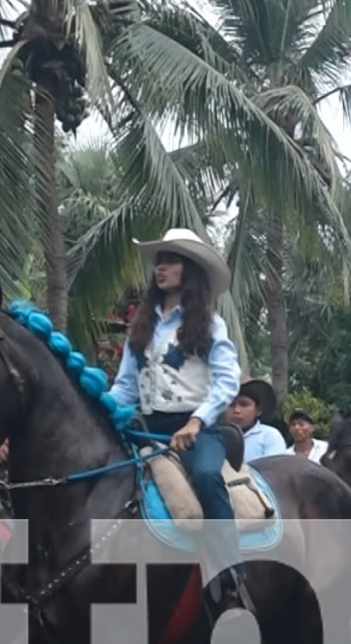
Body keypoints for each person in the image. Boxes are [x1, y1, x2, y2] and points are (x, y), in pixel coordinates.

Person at [109, 227, 249, 611]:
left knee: (205, 475)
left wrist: (197, 422)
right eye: (159, 261)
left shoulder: (208, 323)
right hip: (149, 425)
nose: (161, 268)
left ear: (188, 270)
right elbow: (124, 386)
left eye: (170, 261)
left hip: (196, 427)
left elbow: (227, 381)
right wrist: (103, 410)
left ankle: (230, 577)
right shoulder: (143, 325)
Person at [227, 378, 286, 461]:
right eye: (231, 405)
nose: (236, 410)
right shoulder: (218, 437)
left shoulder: (269, 436)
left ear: (258, 410)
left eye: (244, 404)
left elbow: (275, 470)